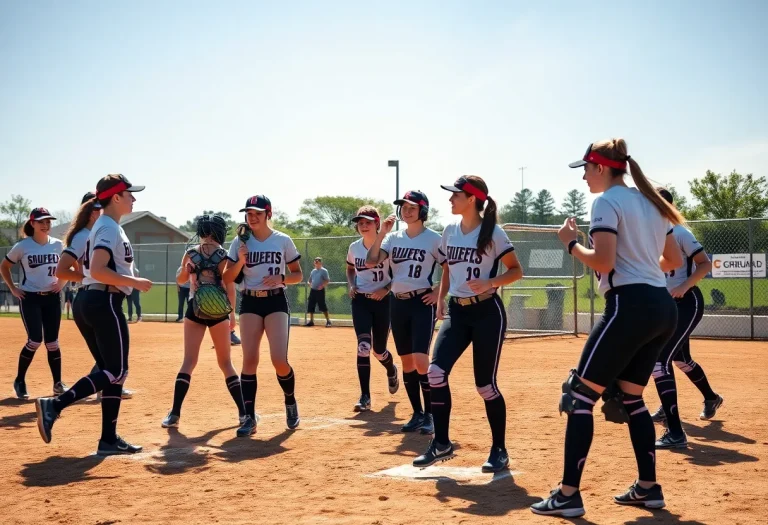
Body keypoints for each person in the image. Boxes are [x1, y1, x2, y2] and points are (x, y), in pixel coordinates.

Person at [531, 140, 684, 517]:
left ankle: (568, 495)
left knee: (579, 395)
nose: (583, 176)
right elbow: (674, 260)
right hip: (661, 307)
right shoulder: (651, 201)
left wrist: (570, 244)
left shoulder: (606, 202)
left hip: (629, 307)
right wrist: (640, 261)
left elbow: (602, 260)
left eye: (585, 169)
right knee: (631, 399)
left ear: (601, 167)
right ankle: (648, 488)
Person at [35, 174, 152, 455]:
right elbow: (98, 269)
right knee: (117, 370)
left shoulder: (102, 226)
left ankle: (108, 439)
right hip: (104, 301)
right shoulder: (108, 228)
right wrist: (134, 282)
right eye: (129, 194)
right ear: (115, 198)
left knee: (111, 372)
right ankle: (55, 405)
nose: (133, 198)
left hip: (91, 300)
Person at [413, 177, 522, 473]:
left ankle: (499, 448)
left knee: (485, 386)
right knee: (435, 373)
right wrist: (441, 296)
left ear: (472, 199)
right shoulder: (450, 231)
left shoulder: (494, 233)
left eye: (455, 195)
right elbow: (448, 267)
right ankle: (442, 443)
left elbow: (516, 270)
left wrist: (491, 281)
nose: (450, 200)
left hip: (487, 313)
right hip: (457, 313)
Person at [223, 195, 303, 436]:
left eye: (258, 212)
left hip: (276, 299)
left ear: (269, 214)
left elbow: (298, 274)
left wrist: (281, 278)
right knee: (249, 361)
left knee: (279, 359)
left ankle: (290, 400)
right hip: (250, 301)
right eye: (249, 213)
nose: (252, 216)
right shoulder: (240, 242)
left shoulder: (283, 240)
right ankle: (249, 417)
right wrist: (241, 261)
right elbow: (227, 277)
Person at [649, 188, 722, 448]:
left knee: (660, 361)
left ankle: (675, 431)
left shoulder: (680, 233)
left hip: (686, 303)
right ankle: (711, 398)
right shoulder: (652, 235)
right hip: (664, 306)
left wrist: (685, 286)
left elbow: (705, 263)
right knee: (679, 359)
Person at [366, 190, 442, 434]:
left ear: (423, 211)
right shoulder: (393, 238)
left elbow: (453, 268)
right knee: (407, 362)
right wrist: (381, 234)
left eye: (412, 207)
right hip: (397, 303)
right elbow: (371, 260)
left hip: (422, 302)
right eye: (404, 207)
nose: (406, 211)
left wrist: (439, 291)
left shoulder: (433, 239)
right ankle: (417, 413)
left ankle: (431, 414)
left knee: (421, 360)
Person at [162, 215, 246, 430]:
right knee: (226, 363)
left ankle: (174, 414)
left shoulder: (191, 253)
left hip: (195, 308)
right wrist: (232, 315)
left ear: (201, 231)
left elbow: (180, 280)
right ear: (219, 232)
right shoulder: (223, 256)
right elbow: (228, 286)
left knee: (188, 361)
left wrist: (188, 270)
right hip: (217, 311)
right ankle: (244, 414)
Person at [56, 192, 134, 400]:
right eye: (100, 207)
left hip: (93, 297)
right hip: (97, 297)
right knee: (114, 368)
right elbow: (61, 270)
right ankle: (59, 403)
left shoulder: (100, 231)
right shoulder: (86, 234)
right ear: (92, 213)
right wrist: (89, 277)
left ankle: (107, 428)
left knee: (108, 366)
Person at [1, 208, 67, 399]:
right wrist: (13, 289)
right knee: (35, 339)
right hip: (30, 297)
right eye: (41, 222)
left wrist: (62, 283)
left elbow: (71, 266)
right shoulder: (23, 246)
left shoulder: (58, 245)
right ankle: (20, 380)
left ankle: (57, 384)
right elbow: (4, 266)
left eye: (48, 222)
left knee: (53, 342)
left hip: (52, 298)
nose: (45, 225)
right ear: (32, 224)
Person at [347, 206, 399, 412]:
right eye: (360, 223)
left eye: (368, 222)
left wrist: (386, 289)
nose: (363, 226)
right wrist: (351, 284)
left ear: (377, 224)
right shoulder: (354, 247)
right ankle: (365, 396)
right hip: (360, 301)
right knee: (363, 347)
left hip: (383, 302)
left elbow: (400, 275)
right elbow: (350, 269)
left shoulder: (388, 246)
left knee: (378, 350)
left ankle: (391, 369)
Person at [306, 257, 331, 327]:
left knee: (322, 305)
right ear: (314, 263)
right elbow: (309, 280)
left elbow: (327, 280)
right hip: (313, 290)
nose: (317, 263)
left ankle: (328, 321)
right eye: (315, 262)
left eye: (318, 261)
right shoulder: (313, 271)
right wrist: (309, 283)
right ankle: (311, 321)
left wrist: (322, 286)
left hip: (320, 290)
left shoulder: (324, 271)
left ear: (321, 263)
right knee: (311, 304)